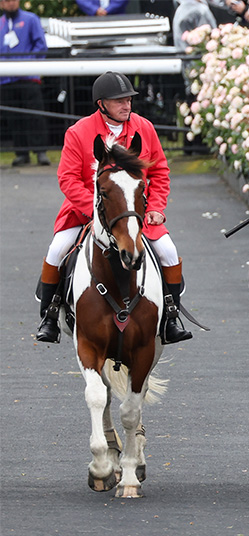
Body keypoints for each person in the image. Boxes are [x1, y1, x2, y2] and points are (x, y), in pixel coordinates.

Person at [36, 72, 192, 345]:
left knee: (168, 251)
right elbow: (68, 179)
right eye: (118, 101)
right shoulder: (78, 132)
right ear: (101, 104)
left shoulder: (145, 128)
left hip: (135, 213)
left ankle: (170, 316)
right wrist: (94, 210)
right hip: (86, 212)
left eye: (129, 99)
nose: (126, 105)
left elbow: (160, 172)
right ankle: (49, 316)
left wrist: (156, 206)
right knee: (58, 249)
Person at [0, 0, 50, 167]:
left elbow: (40, 45)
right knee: (14, 117)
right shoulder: (1, 23)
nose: (10, 4)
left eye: (13, 0)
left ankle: (41, 152)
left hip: (28, 78)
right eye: (6, 1)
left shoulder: (31, 19)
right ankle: (21, 153)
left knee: (35, 115)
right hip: (6, 79)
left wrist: (26, 64)